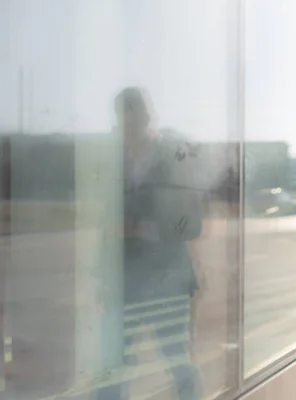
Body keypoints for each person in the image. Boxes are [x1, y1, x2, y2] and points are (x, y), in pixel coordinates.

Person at [112, 86, 204, 399]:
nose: (125, 131)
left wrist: (141, 228)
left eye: (130, 122)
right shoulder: (115, 163)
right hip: (127, 281)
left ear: (145, 117)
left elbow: (191, 223)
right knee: (112, 368)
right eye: (121, 123)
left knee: (178, 365)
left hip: (168, 281)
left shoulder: (174, 157)